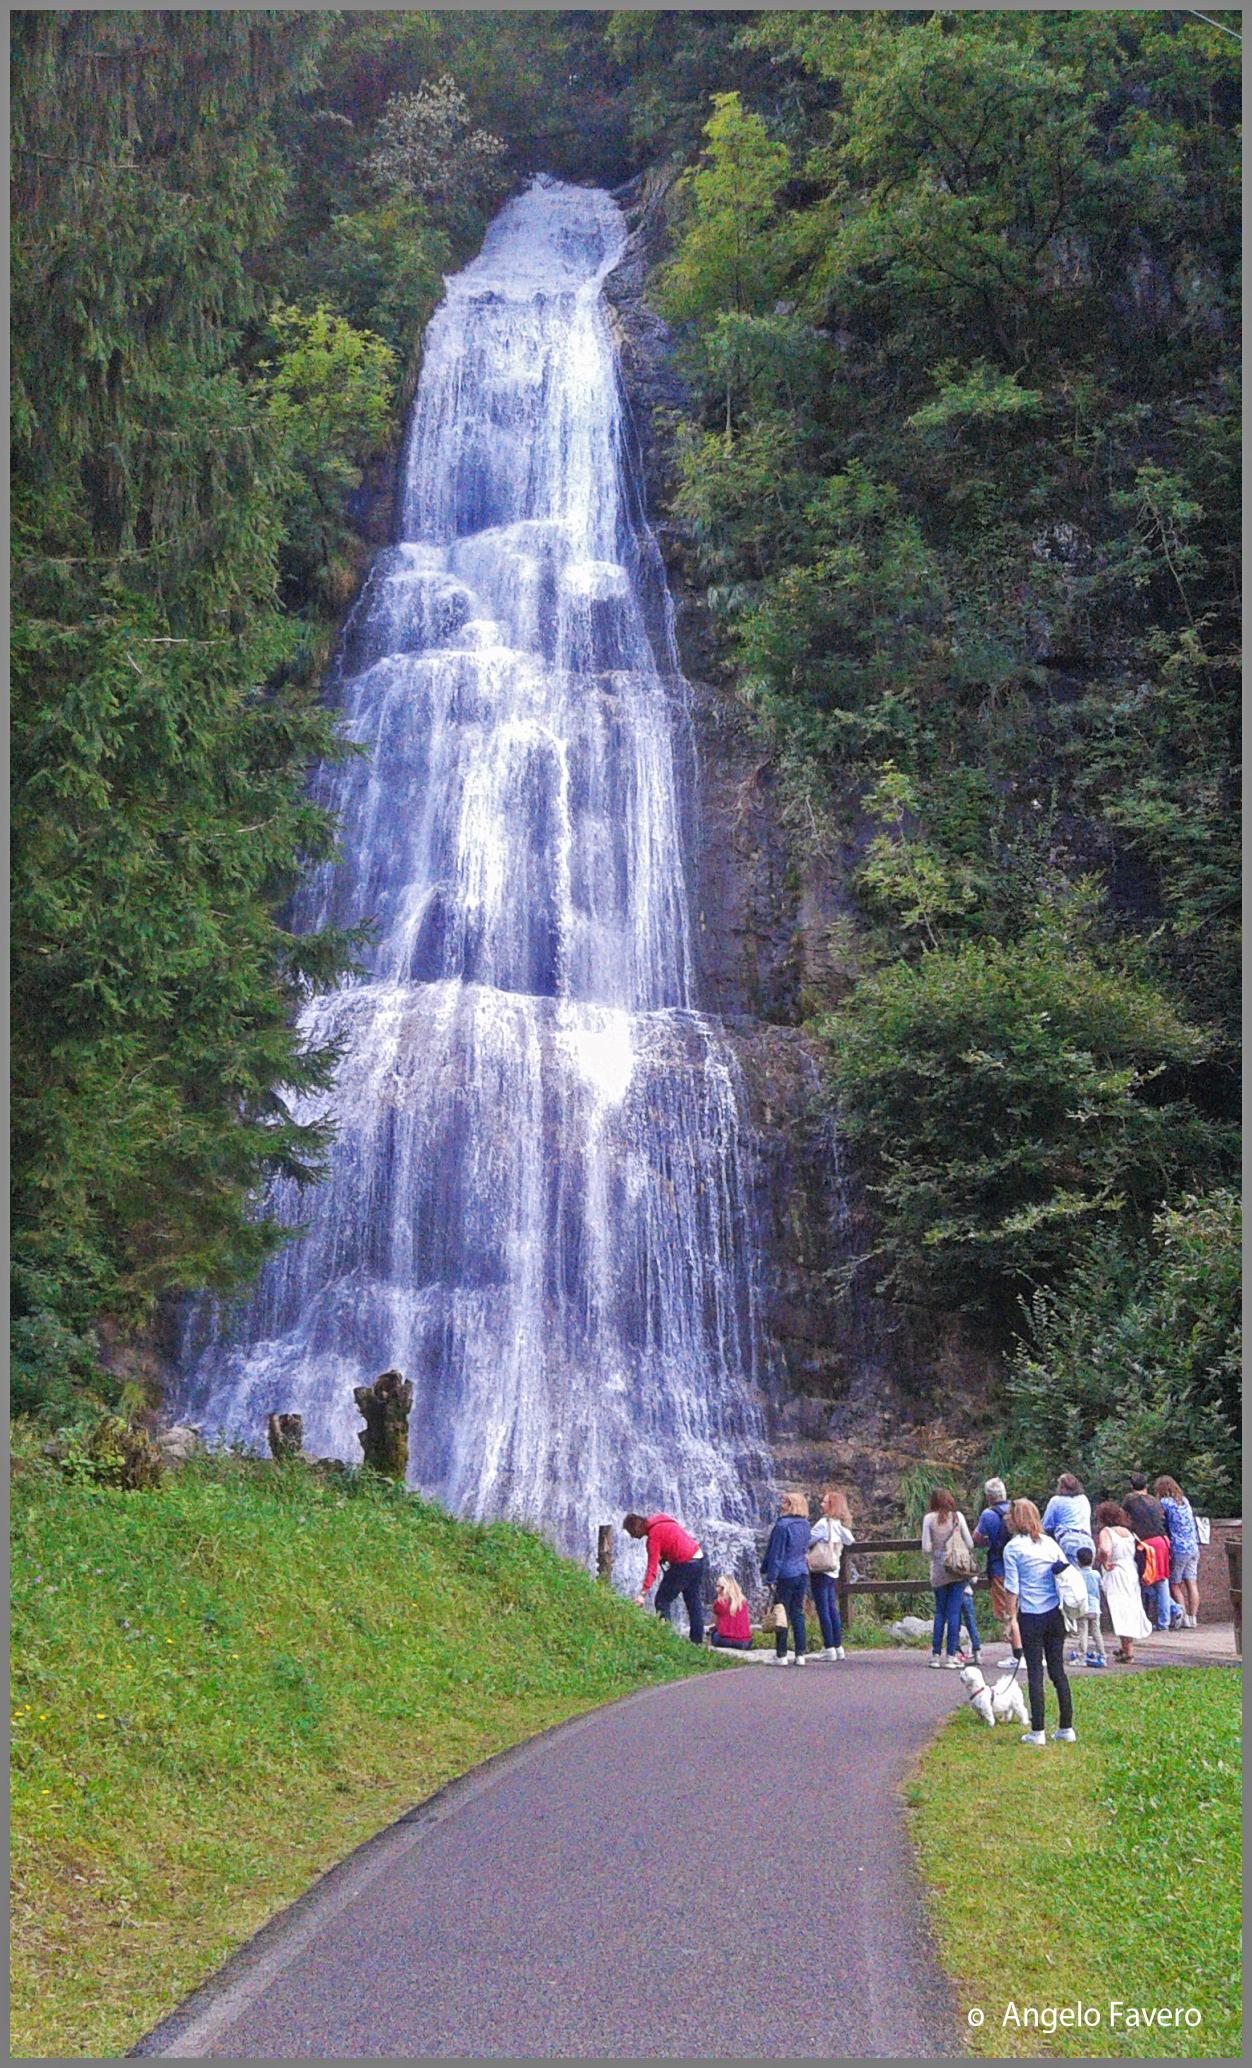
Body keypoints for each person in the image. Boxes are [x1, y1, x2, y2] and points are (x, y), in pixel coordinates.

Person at [1001, 1498, 1075, 1745]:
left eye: (1009, 1515)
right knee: (1057, 1671)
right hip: (1055, 1613)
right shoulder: (1050, 1544)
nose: (1005, 1519)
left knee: (1035, 1672)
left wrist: (1009, 1620)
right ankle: (1066, 1727)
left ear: (1016, 1519)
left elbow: (1012, 1587)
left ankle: (1038, 1731)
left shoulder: (1013, 1548)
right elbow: (1065, 1571)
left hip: (1031, 1615)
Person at [624, 1511, 707, 1645]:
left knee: (662, 1600)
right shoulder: (660, 1517)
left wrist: (643, 1593)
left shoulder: (653, 1538)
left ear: (636, 1530)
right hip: (698, 1558)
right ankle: (697, 1641)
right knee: (693, 1601)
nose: (632, 1537)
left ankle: (666, 1639)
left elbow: (652, 1569)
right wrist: (667, 1552)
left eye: (631, 1533)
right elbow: (673, 1535)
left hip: (684, 1564)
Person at [920, 1488, 975, 1670]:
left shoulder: (929, 1519)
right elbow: (970, 1542)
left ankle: (935, 1655)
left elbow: (926, 1548)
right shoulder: (957, 1517)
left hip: (938, 1570)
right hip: (957, 1571)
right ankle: (951, 1656)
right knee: (953, 1613)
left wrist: (939, 1549)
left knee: (939, 1613)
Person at [973, 1476, 1023, 1673]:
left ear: (989, 1497)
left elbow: (977, 1538)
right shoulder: (1016, 1510)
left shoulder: (988, 1515)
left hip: (999, 1568)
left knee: (1008, 1612)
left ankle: (1017, 1653)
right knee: (1023, 1609)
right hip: (1021, 1567)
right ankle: (1028, 1650)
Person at [1093, 1501, 1152, 1662]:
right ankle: (1127, 1647)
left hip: (1116, 1571)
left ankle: (1128, 1651)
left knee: (1119, 1609)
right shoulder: (1128, 1532)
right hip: (1130, 1571)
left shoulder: (1106, 1532)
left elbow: (1105, 1550)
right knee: (1131, 1606)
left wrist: (1103, 1561)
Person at [761, 1490, 812, 1666]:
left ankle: (781, 1654)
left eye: (784, 1503)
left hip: (786, 1574)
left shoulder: (782, 1526)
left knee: (781, 1612)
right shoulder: (805, 1525)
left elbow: (777, 1555)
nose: (781, 1506)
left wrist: (771, 1578)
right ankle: (800, 1654)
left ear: (791, 1506)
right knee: (797, 1612)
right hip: (802, 1572)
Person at [807, 1486, 855, 1661]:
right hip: (833, 1570)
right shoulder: (840, 1526)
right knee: (832, 1607)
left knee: (823, 1608)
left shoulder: (823, 1523)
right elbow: (850, 1540)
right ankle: (838, 1645)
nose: (821, 1504)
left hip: (820, 1569)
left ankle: (828, 1647)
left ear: (832, 1506)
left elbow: (807, 1540)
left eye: (825, 1502)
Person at [1123, 1474, 1172, 1630]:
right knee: (1162, 1579)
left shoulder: (1129, 1500)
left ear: (1132, 1486)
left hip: (1146, 1544)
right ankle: (1167, 1617)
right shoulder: (1154, 1501)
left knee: (1146, 1579)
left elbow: (1123, 1519)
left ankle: (1171, 1612)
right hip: (1162, 1541)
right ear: (1146, 1486)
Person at [1155, 1475, 1201, 1627]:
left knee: (1175, 1584)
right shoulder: (1185, 1501)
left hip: (1180, 1548)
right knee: (1191, 1583)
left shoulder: (1165, 1502)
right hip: (1193, 1546)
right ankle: (1193, 1618)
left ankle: (1183, 1619)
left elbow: (1160, 1519)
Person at [1041, 1474, 1096, 1562]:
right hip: (1087, 1540)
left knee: (1072, 1573)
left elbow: (1046, 1525)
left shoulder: (1056, 1501)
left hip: (1069, 1540)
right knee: (1086, 1571)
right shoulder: (1084, 1499)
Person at [1073, 1545, 1106, 1667]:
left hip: (1082, 1607)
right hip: (1095, 1607)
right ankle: (1102, 1654)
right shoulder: (1096, 1574)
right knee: (1097, 1632)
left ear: (1078, 1560)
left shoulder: (1076, 1574)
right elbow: (1102, 1588)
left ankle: (1082, 1656)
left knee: (1083, 1632)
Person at [710, 1575, 753, 1651]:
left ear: (724, 1588)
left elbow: (717, 1625)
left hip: (725, 1641)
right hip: (745, 1643)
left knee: (714, 1633)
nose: (716, 1589)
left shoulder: (719, 1602)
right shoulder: (743, 1601)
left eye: (718, 1586)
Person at [958, 1583, 983, 1665]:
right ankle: (977, 1652)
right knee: (971, 1623)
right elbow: (974, 1579)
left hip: (953, 1594)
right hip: (967, 1593)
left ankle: (955, 1651)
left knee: (955, 1623)